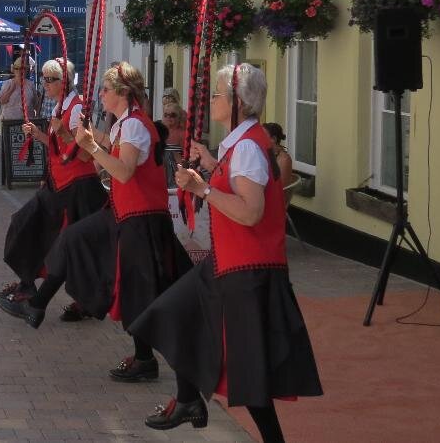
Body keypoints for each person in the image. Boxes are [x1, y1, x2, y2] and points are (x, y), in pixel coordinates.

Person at [131, 63, 322, 442]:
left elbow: (251, 211)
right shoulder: (243, 142)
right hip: (232, 264)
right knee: (174, 314)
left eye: (217, 94)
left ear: (237, 102)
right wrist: (214, 165)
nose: (211, 100)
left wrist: (203, 188)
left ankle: (201, 406)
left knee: (250, 372)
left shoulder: (249, 146)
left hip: (247, 271)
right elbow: (243, 188)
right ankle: (188, 399)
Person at [0, 62, 191, 383]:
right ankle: (38, 303)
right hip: (122, 212)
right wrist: (89, 137)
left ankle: (158, 364)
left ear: (122, 93)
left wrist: (88, 145)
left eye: (105, 89)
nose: (99, 94)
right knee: (74, 242)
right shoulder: (124, 124)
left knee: (140, 294)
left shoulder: (134, 126)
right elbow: (109, 152)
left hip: (141, 220)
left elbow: (124, 171)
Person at [0, 58, 109, 318]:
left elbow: (83, 155)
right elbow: (61, 149)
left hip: (77, 189)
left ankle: (34, 292)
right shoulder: (62, 106)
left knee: (61, 244)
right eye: (44, 79)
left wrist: (63, 135)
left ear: (65, 82)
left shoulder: (77, 109)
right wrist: (40, 136)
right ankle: (31, 287)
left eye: (50, 79)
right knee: (27, 227)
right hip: (59, 186)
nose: (45, 83)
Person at [0, 56, 42, 129]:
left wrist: (37, 117)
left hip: (27, 123)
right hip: (9, 123)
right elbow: (1, 101)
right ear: (13, 70)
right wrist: (11, 90)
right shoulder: (7, 83)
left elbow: (36, 104)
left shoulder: (30, 84)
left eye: (23, 68)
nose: (20, 71)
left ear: (26, 70)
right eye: (17, 68)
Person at [263, 122, 298, 207]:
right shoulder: (265, 154)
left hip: (274, 203)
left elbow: (280, 189)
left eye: (263, 136)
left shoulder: (284, 159)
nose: (259, 138)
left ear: (273, 139)